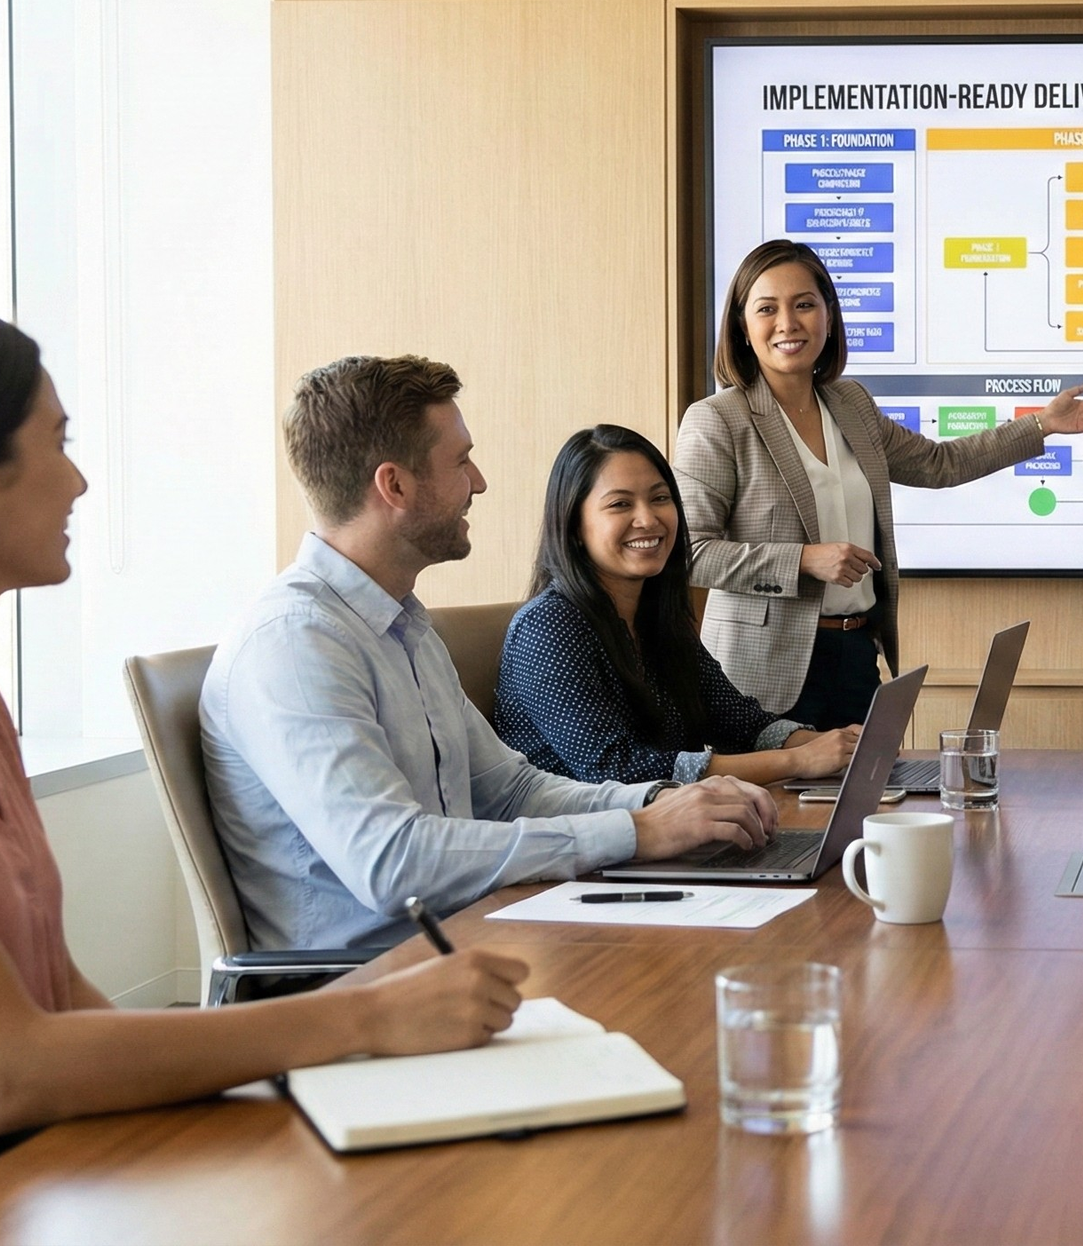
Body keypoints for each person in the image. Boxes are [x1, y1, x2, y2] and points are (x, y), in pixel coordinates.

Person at [0, 306, 524, 1218]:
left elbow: (57, 997)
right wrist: (366, 1020)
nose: (78, 480)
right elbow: (0, 1068)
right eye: (58, 443)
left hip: (10, 1161)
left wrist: (243, 1097)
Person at [203, 356, 779, 952]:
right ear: (394, 485)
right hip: (366, 985)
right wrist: (635, 830)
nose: (478, 482)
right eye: (460, 461)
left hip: (475, 936)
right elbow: (393, 863)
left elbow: (510, 791)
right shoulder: (295, 643)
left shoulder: (402, 624)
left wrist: (663, 801)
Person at [674, 239, 1083, 728]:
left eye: (804, 304)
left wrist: (1040, 425)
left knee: (865, 799)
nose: (788, 323)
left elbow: (938, 463)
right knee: (772, 807)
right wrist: (804, 560)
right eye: (767, 309)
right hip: (760, 673)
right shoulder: (717, 420)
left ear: (828, 315)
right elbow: (690, 553)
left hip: (855, 654)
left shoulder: (850, 404)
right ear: (742, 325)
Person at [497, 425, 863, 786]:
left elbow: (742, 722)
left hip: (674, 827)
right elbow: (617, 771)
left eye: (659, 498)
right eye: (621, 504)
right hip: (583, 837)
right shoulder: (548, 626)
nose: (648, 519)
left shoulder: (655, 616)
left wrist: (841, 746)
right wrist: (796, 761)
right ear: (574, 526)